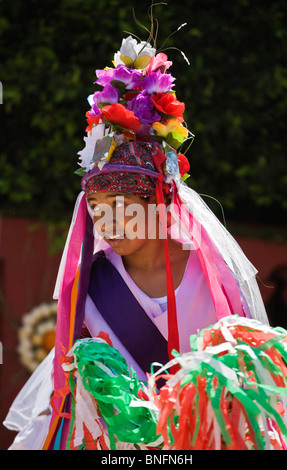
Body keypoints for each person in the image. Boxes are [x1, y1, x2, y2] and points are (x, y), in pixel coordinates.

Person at [3, 29, 269, 450]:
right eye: (96, 205)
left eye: (122, 204)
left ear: (162, 201)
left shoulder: (212, 277)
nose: (107, 220)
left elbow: (241, 389)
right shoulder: (89, 286)